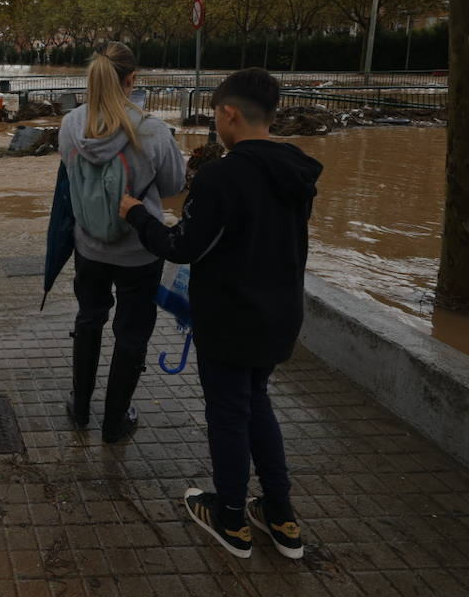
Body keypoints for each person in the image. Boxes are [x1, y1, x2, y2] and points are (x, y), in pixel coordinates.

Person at [119, 67, 322, 561]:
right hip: (279, 316)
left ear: (230, 113)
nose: (216, 124)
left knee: (229, 414)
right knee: (257, 404)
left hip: (232, 319)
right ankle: (280, 515)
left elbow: (182, 247)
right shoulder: (297, 169)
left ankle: (230, 519)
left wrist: (137, 214)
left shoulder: (223, 176)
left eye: (216, 115)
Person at [59, 41, 186, 442]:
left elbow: (69, 173)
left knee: (89, 318)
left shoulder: (71, 125)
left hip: (89, 245)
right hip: (139, 251)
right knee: (131, 334)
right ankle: (115, 422)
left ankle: (80, 409)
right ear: (132, 80)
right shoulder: (152, 129)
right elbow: (172, 186)